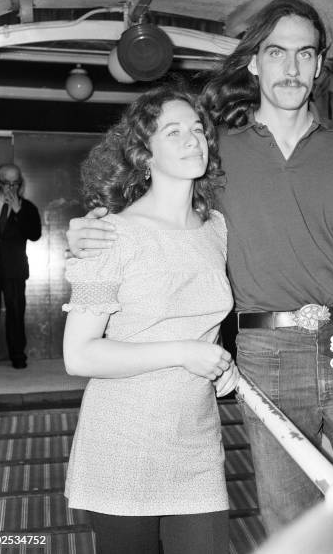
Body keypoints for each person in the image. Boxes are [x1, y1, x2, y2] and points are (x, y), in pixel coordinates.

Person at [66, 0, 333, 532]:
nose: (292, 67)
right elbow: (156, 199)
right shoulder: (216, 152)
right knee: (293, 524)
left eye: (305, 54)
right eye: (277, 52)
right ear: (255, 62)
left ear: (320, 64)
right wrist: (88, 227)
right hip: (268, 355)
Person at [62, 84, 238, 554]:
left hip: (196, 444)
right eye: (173, 131)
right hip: (123, 443)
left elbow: (202, 322)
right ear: (145, 154)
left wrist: (220, 365)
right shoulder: (110, 235)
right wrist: (183, 353)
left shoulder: (216, 229)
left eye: (197, 129)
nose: (192, 139)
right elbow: (78, 355)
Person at [0, 163, 41, 369]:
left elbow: (35, 234)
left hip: (14, 268)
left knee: (15, 312)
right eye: (6, 183)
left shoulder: (27, 207)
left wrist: (18, 211)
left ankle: (18, 356)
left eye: (15, 183)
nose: (11, 188)